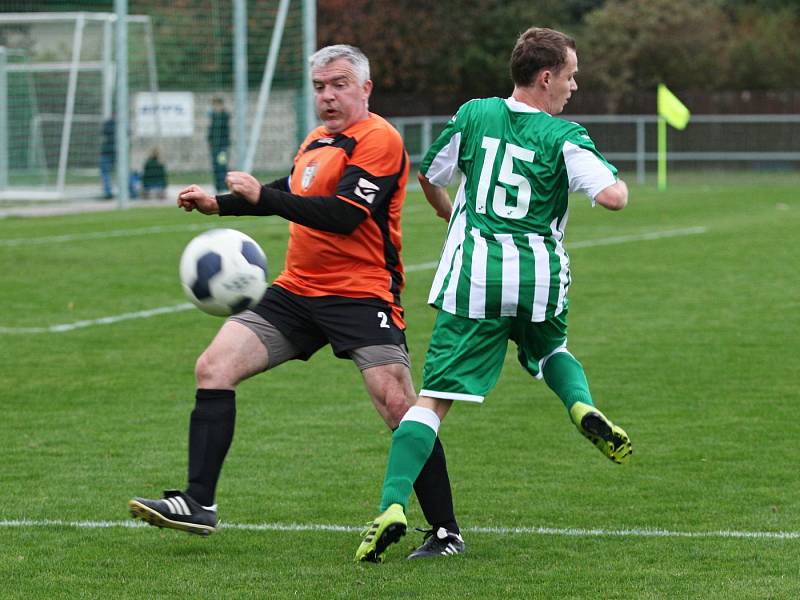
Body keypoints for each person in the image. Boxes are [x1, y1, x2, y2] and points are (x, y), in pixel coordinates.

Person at [128, 44, 464, 560]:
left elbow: (344, 213)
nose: (327, 96)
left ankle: (445, 531)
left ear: (365, 88)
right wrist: (222, 204)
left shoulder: (380, 140)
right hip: (296, 290)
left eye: (339, 85)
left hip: (360, 292)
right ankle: (198, 503)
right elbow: (292, 188)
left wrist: (266, 200)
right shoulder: (317, 139)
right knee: (213, 367)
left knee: (398, 405)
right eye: (319, 87)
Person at [355, 27, 633, 563]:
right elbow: (613, 198)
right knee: (551, 351)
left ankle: (392, 504)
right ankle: (581, 406)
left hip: (475, 276)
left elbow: (429, 175)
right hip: (539, 277)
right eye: (571, 76)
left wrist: (445, 209)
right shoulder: (564, 135)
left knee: (432, 401)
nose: (574, 87)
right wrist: (610, 184)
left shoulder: (474, 114)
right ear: (547, 77)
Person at [208, 96, 230, 193]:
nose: (215, 108)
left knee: (222, 166)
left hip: (222, 147)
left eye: (217, 105)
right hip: (214, 147)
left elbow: (221, 126)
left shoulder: (223, 116)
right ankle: (217, 187)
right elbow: (211, 132)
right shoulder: (213, 117)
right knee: (216, 167)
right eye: (214, 106)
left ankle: (224, 187)